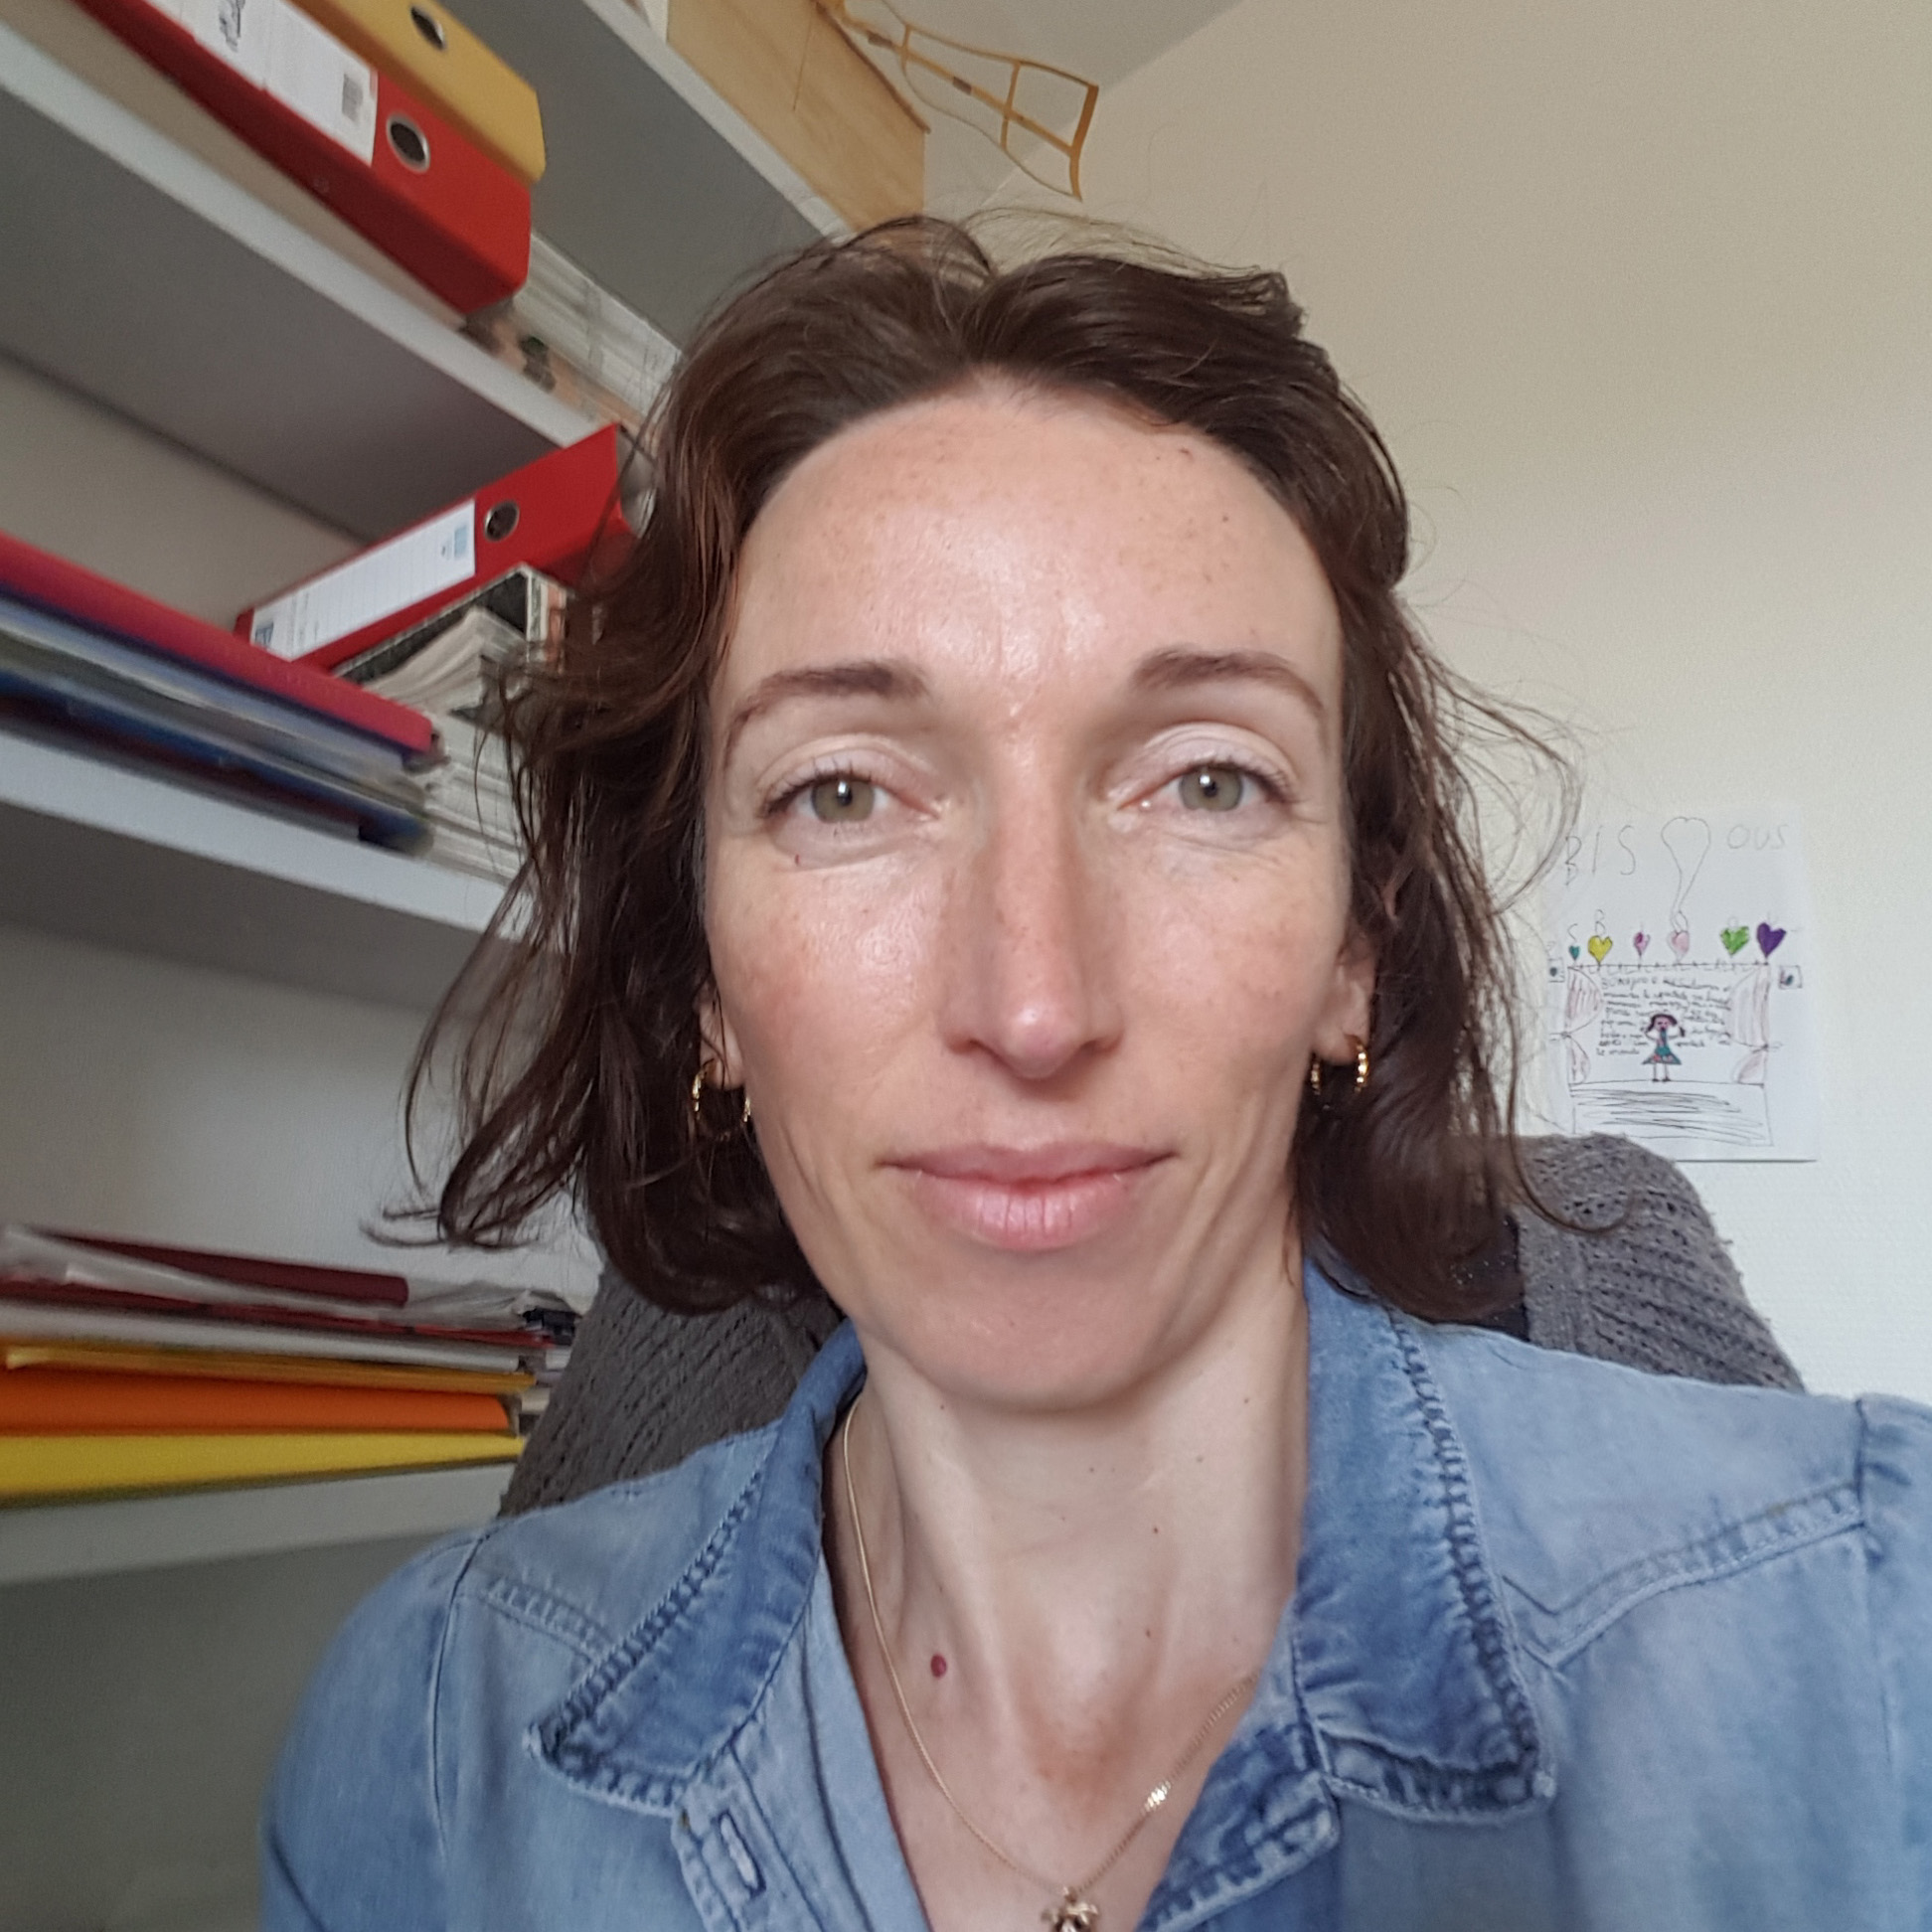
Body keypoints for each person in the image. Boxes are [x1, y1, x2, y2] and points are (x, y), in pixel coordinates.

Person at [263, 221, 1932, 1932]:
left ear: (1355, 949)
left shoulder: (1875, 1629)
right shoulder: (429, 1747)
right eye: (843, 792)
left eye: (1207, 783)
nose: (1035, 1005)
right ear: (706, 988)